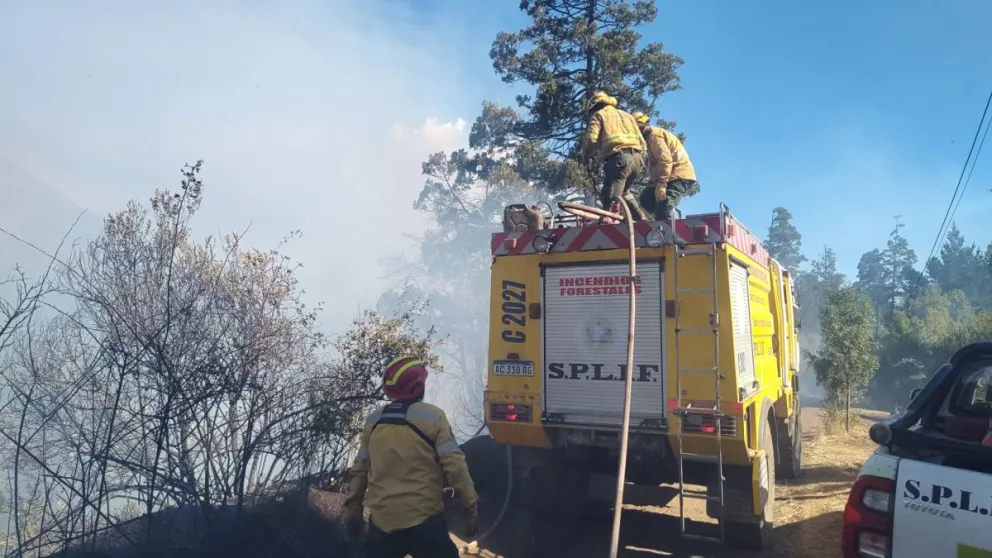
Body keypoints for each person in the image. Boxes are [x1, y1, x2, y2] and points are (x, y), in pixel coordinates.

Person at [343, 356, 479, 558]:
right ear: (419, 387)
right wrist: (470, 505)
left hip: (382, 524)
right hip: (425, 523)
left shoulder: (374, 422)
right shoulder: (433, 417)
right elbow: (455, 465)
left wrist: (353, 510)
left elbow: (360, 469)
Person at [580, 91, 650, 221]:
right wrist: (640, 158)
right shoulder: (628, 116)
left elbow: (591, 139)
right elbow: (642, 142)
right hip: (637, 161)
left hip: (619, 159)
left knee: (609, 194)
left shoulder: (599, 115)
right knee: (624, 192)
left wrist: (584, 153)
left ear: (595, 106)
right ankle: (640, 217)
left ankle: (608, 219)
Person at [631, 112, 700, 221]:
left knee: (664, 207)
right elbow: (656, 165)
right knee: (646, 198)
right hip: (669, 175)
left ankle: (667, 225)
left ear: (640, 128)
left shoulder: (655, 136)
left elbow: (665, 160)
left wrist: (661, 184)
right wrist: (654, 183)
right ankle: (662, 219)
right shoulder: (648, 141)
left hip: (679, 175)